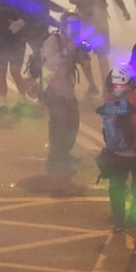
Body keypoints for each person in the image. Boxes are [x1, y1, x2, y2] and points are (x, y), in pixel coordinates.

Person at [97, 64, 136, 240]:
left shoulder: (108, 99)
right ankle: (135, 219)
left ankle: (118, 222)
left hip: (116, 152)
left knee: (116, 187)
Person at [69, 0, 131, 87]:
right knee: (90, 56)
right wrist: (124, 11)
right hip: (92, 22)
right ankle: (99, 86)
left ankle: (100, 87)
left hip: (91, 23)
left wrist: (125, 10)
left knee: (91, 56)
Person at [42, 13, 84, 192]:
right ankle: (56, 162)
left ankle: (64, 155)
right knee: (59, 126)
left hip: (68, 91)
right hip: (54, 91)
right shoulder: (54, 41)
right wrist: (70, 49)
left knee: (73, 123)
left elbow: (83, 60)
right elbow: (52, 63)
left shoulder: (71, 40)